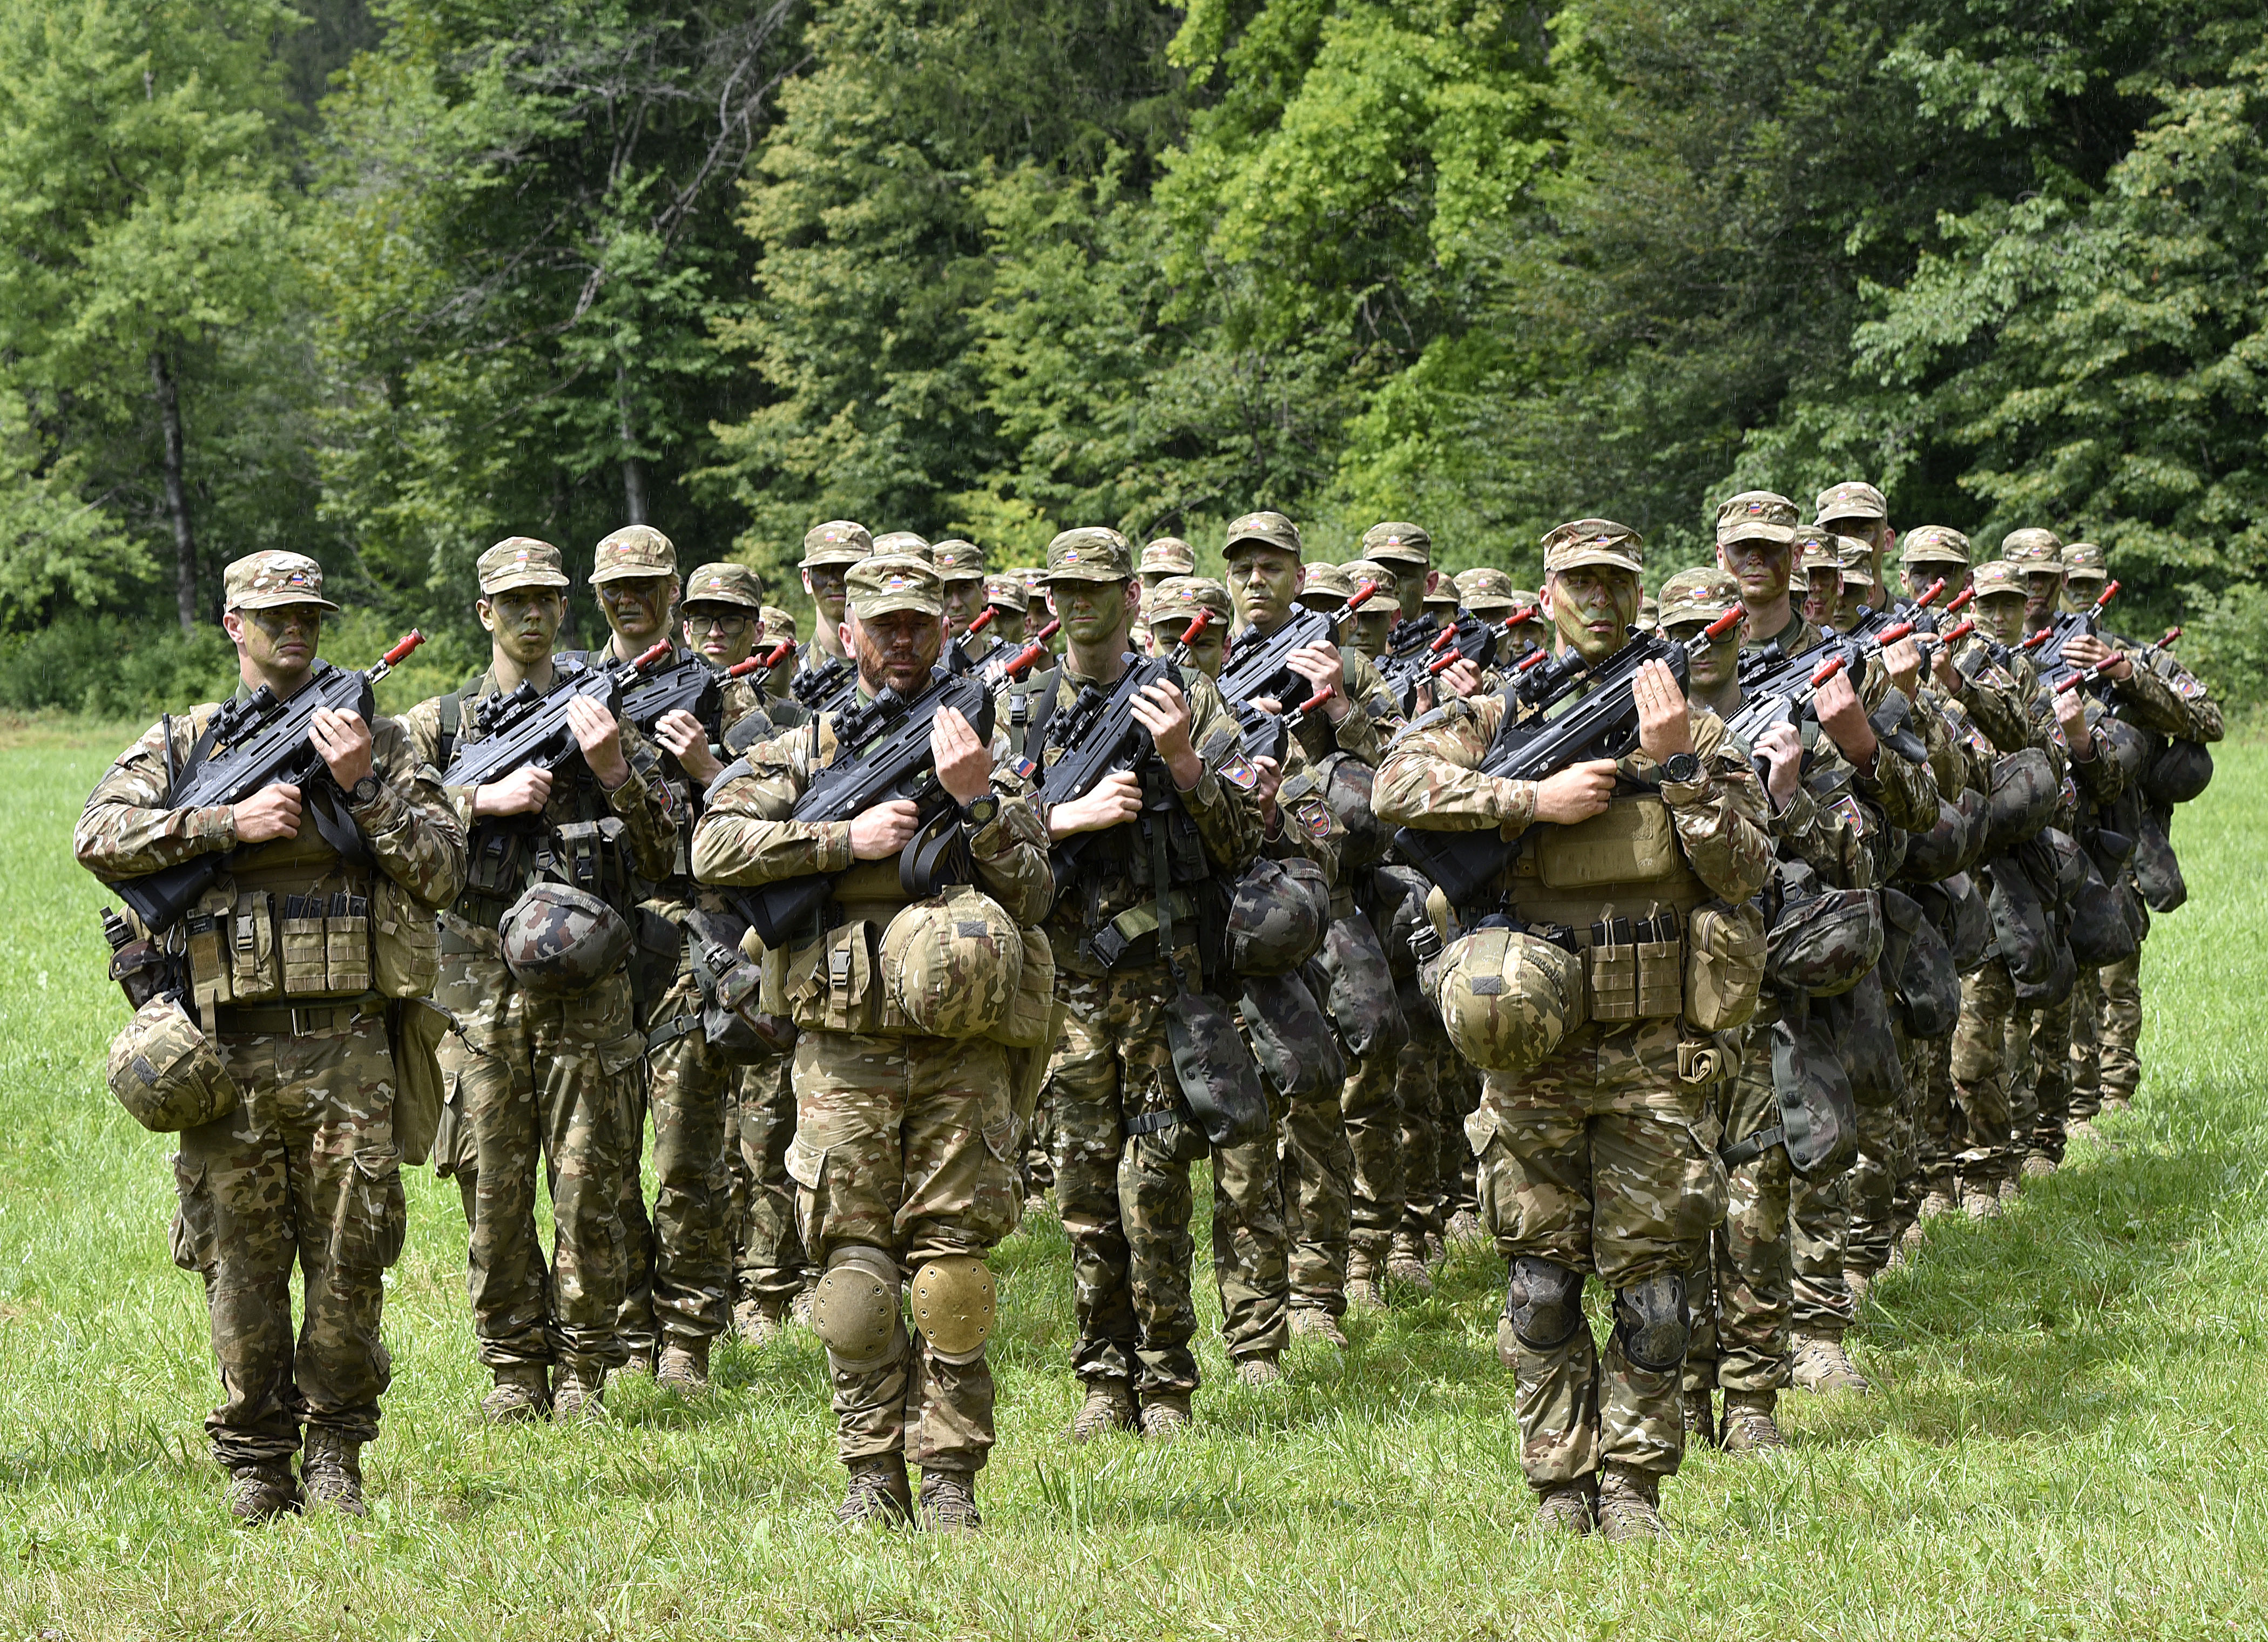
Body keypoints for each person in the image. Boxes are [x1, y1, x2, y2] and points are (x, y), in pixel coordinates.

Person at [1375, 517, 1773, 1538]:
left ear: (1639, 595)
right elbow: (1393, 786)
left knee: (1655, 1294)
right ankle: (1559, 1486)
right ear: (1547, 592)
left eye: (1618, 584)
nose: (1600, 600)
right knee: (1543, 1285)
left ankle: (1635, 1487)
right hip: (1533, 1052)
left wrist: (1677, 765)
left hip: (1654, 1054)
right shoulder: (1499, 711)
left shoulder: (1697, 730)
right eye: (1579, 583)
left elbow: (1746, 873)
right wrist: (1529, 797)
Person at [79, 550, 469, 1519]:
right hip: (226, 1053)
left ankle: (337, 1449)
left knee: (351, 1259)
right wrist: (224, 821)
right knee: (240, 1269)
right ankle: (257, 1462)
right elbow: (99, 835)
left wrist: (363, 785)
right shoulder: (185, 743)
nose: (294, 630)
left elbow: (444, 870)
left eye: (309, 616)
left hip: (349, 1046)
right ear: (233, 625)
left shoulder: (378, 740)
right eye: (273, 616)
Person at [692, 553, 1054, 1531]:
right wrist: (840, 843)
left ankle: (948, 1478)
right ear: (847, 632)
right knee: (853, 1271)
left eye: (918, 624)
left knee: (953, 1267)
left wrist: (977, 801)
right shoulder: (799, 747)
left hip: (960, 1047)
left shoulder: (977, 739)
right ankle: (870, 1474)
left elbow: (1037, 890)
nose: (900, 640)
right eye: (881, 624)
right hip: (843, 1044)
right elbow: (713, 849)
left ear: (945, 628)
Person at [397, 537, 680, 1422]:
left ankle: (582, 1373)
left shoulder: (604, 713)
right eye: (512, 600)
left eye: (546, 600)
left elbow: (670, 851)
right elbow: (382, 830)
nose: (530, 614)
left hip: (588, 999)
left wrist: (613, 775)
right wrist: (481, 801)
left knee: (590, 1185)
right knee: (494, 1189)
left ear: (565, 610)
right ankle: (514, 1370)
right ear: (484, 612)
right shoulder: (436, 727)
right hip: (479, 1001)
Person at [1026, 527, 1274, 1440]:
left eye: (1098, 587)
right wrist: (1066, 815)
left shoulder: (1191, 697)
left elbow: (1246, 839)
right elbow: (977, 832)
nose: (1080, 602)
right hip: (1071, 987)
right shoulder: (1022, 706)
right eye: (1065, 589)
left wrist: (1184, 763)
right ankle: (1103, 1375)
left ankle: (1166, 1381)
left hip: (1165, 981)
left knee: (1158, 1181)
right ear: (1049, 600)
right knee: (1085, 1189)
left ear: (1134, 595)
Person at [1221, 512, 1408, 1323]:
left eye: (1273, 566)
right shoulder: (1205, 668)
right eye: (1243, 568)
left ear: (1301, 575)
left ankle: (1338, 1273)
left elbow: (1405, 784)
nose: (1256, 579)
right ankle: (1260, 1296)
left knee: (1348, 1069)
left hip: (1329, 898)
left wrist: (1333, 709)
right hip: (1234, 904)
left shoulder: (1351, 668)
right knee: (1250, 1104)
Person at [798, 521, 870, 676]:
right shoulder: (792, 672)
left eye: (847, 569)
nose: (833, 581)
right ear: (807, 580)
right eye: (823, 571)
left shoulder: (896, 664)